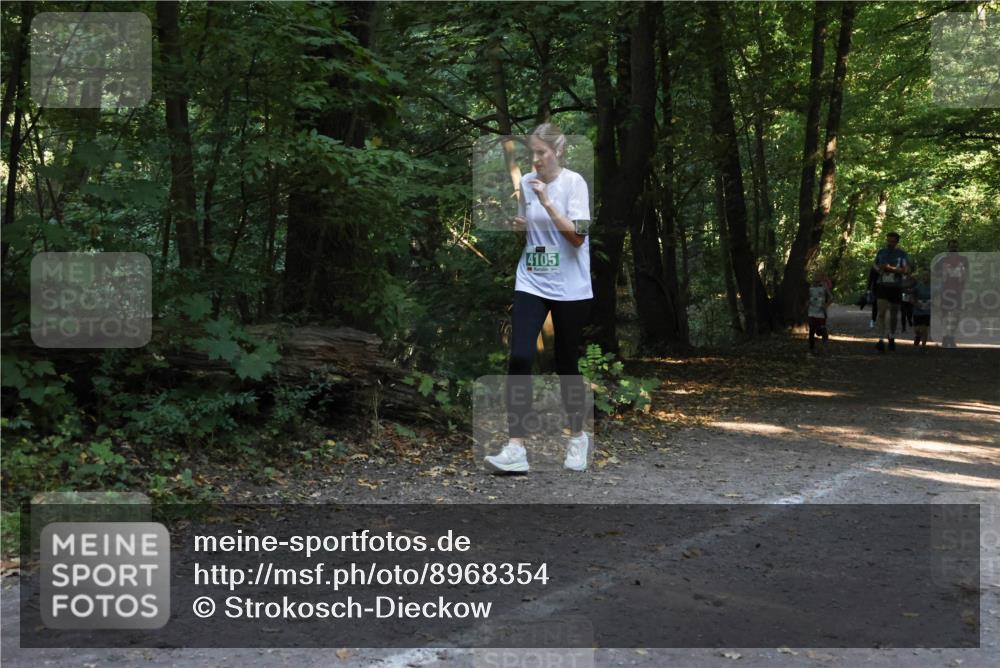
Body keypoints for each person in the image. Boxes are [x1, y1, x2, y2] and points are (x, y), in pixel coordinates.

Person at [485, 124, 593, 473]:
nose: (535, 160)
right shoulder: (528, 187)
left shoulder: (574, 183)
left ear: (558, 152)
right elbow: (536, 235)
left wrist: (546, 201)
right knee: (519, 356)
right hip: (531, 278)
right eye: (531, 153)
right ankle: (516, 447)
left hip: (570, 285)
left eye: (541, 153)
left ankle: (577, 436)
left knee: (566, 364)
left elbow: (577, 237)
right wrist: (522, 226)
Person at [872, 232, 910, 352]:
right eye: (888, 241)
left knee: (894, 313)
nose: (890, 243)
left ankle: (892, 336)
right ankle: (881, 339)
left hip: (895, 287)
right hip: (882, 285)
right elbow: (875, 264)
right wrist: (879, 270)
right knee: (881, 312)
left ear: (897, 242)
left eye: (893, 241)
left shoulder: (902, 254)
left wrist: (891, 269)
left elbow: (906, 270)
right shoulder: (881, 252)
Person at [931, 239, 969, 348]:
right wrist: (942, 276)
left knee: (956, 314)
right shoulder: (942, 259)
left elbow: (967, 273)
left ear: (958, 247)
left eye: (955, 246)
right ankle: (944, 336)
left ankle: (951, 336)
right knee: (945, 315)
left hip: (958, 291)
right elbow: (934, 271)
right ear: (948, 247)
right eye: (951, 246)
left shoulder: (963, 259)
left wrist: (965, 285)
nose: (953, 248)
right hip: (945, 290)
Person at [807, 272, 834, 355]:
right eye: (815, 276)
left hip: (821, 313)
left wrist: (826, 306)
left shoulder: (824, 287)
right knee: (811, 331)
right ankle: (812, 350)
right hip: (811, 312)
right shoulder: (810, 288)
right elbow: (807, 298)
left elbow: (831, 298)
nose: (816, 277)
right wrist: (807, 303)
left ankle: (825, 349)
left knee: (822, 330)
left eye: (818, 276)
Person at [912, 270, 931, 348]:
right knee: (917, 329)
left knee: (924, 328)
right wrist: (916, 303)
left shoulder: (933, 287)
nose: (926, 277)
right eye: (924, 275)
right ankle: (918, 335)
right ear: (922, 277)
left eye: (927, 276)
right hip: (917, 310)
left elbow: (937, 297)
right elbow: (912, 296)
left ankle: (923, 345)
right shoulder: (918, 286)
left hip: (927, 310)